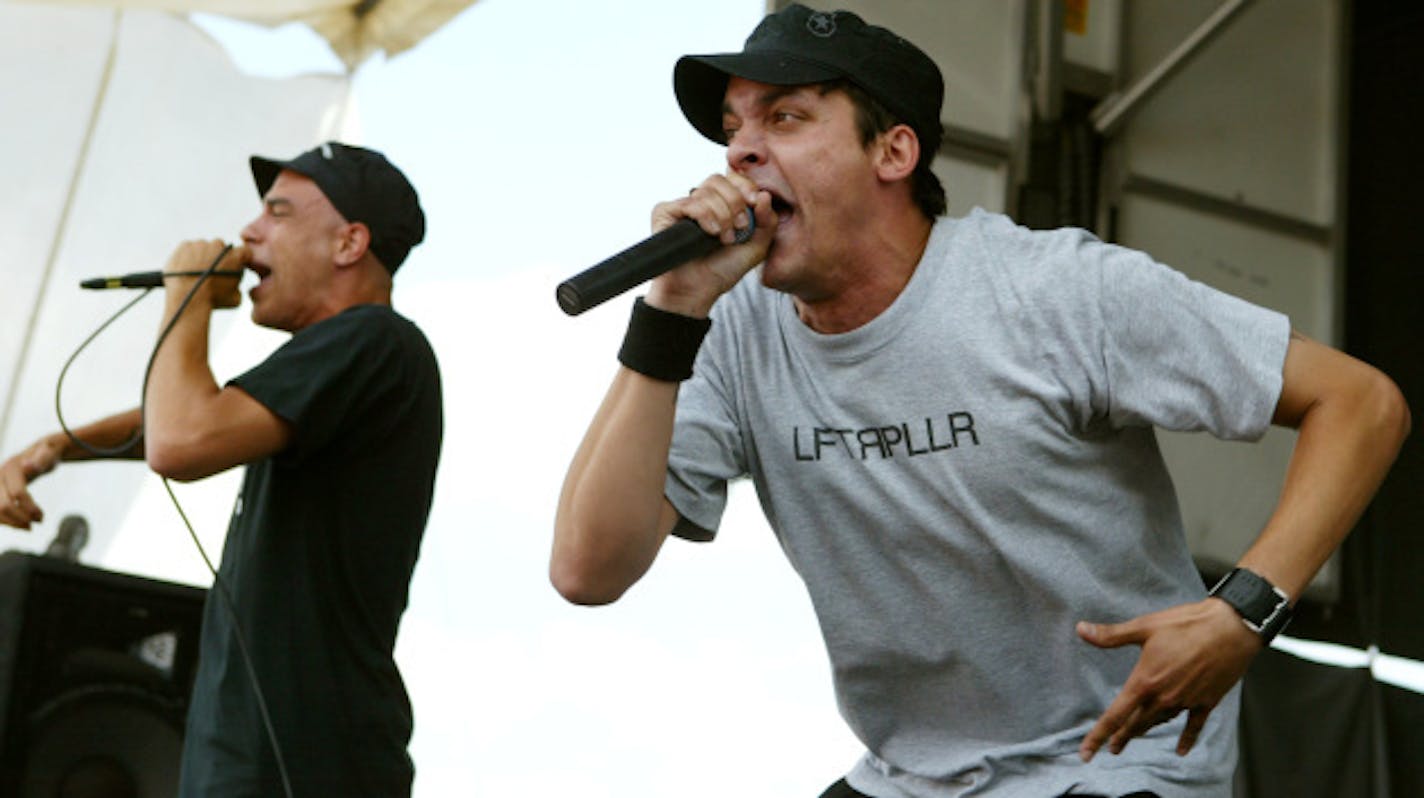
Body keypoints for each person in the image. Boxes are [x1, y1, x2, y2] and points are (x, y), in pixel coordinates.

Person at [550, 5, 1410, 797]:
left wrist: (1244, 614)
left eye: (785, 117)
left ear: (893, 152)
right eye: (734, 127)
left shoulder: (1052, 290)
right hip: (908, 777)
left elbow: (1361, 403)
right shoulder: (736, 330)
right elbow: (588, 570)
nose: (740, 151)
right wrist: (671, 316)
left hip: (1107, 761)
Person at [0, 141, 442, 797]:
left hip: (304, 766)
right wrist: (57, 447)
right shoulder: (336, 359)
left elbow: (182, 441)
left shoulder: (373, 340)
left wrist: (188, 296)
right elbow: (197, 414)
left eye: (278, 214)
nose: (247, 232)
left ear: (349, 243)